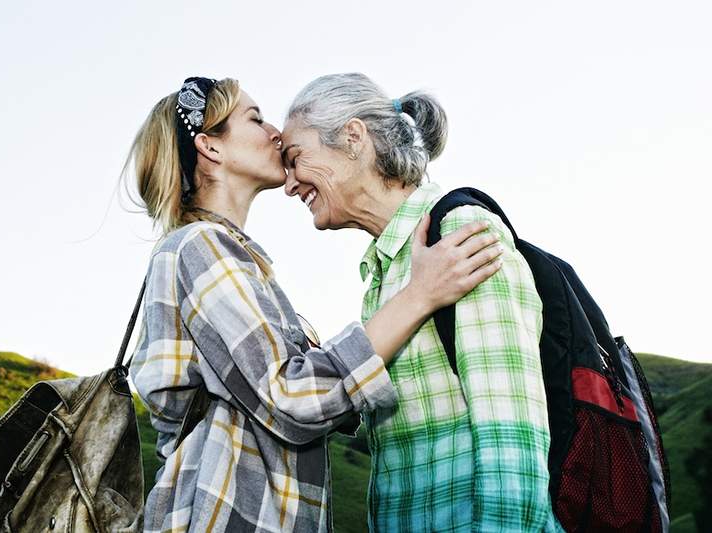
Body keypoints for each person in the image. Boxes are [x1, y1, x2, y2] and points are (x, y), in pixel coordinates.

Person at [125, 76, 503, 532]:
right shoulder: (201, 247)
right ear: (211, 148)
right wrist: (419, 296)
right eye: (254, 118)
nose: (274, 133)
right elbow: (290, 397)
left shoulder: (233, 258)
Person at [282, 72, 563, 532]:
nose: (289, 184)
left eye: (296, 159)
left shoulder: (459, 233)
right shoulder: (385, 273)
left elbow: (511, 436)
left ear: (353, 138)